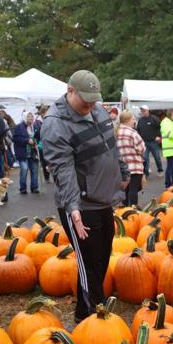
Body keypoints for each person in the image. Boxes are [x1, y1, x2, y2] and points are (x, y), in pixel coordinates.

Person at [42, 70, 129, 323]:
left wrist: (122, 172)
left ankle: (84, 313)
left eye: (94, 100)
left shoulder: (97, 110)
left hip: (103, 198)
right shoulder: (55, 123)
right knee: (88, 264)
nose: (90, 106)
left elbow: (111, 146)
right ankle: (96, 318)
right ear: (70, 91)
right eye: (85, 101)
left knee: (102, 258)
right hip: (80, 204)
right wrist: (72, 206)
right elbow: (63, 168)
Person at [116, 110, 146, 206]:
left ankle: (126, 209)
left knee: (126, 189)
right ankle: (133, 209)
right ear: (128, 120)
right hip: (134, 166)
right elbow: (142, 148)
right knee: (133, 189)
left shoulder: (115, 132)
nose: (134, 121)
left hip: (121, 167)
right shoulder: (132, 133)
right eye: (133, 119)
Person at [12, 112, 40, 194]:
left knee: (34, 170)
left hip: (33, 152)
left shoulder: (35, 126)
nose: (31, 118)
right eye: (28, 116)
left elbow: (38, 137)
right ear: (25, 117)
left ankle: (34, 188)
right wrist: (27, 140)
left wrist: (36, 143)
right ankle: (23, 188)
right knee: (24, 169)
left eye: (32, 116)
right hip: (22, 152)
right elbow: (15, 139)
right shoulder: (19, 127)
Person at [136, 105, 163, 178]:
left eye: (144, 110)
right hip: (144, 143)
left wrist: (159, 136)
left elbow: (160, 127)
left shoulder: (154, 118)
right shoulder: (140, 120)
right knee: (145, 158)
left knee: (157, 157)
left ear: (148, 111)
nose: (142, 112)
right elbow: (138, 131)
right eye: (141, 111)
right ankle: (146, 173)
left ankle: (160, 170)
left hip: (153, 142)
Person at [34, 105, 51, 183]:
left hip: (50, 143)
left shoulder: (50, 119)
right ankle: (47, 177)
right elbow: (36, 134)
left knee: (51, 160)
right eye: (45, 112)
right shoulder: (37, 122)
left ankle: (53, 175)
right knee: (44, 161)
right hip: (42, 144)